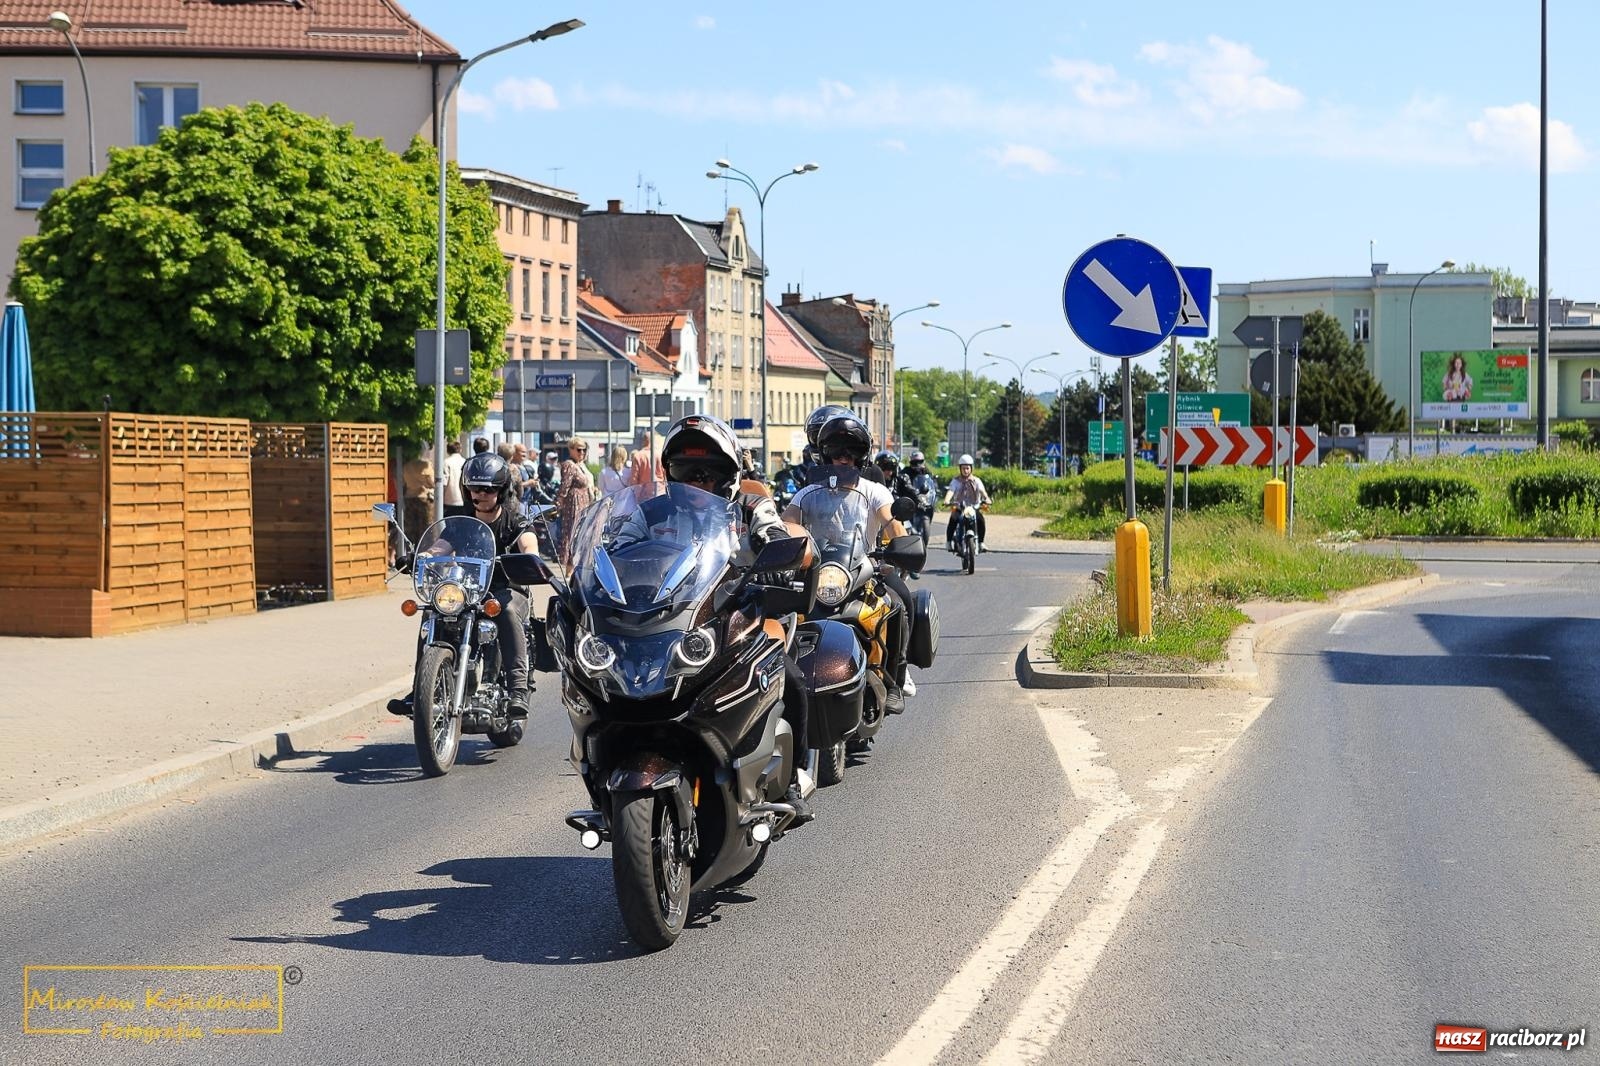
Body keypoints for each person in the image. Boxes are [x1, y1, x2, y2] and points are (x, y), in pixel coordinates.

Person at [609, 414, 815, 822]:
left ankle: (792, 779)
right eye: (687, 471)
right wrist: (600, 573)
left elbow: (774, 533)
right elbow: (616, 548)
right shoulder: (651, 513)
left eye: (709, 471)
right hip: (668, 619)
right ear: (672, 473)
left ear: (728, 473)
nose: (698, 481)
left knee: (787, 674)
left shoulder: (751, 505)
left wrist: (777, 555)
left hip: (737, 611)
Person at [783, 413, 918, 708]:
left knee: (899, 601)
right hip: (819, 573)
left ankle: (896, 676)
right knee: (782, 610)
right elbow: (788, 523)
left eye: (851, 452)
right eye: (836, 452)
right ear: (825, 455)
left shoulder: (874, 491)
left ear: (861, 457)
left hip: (865, 568)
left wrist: (899, 544)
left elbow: (891, 522)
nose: (843, 459)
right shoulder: (806, 494)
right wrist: (783, 540)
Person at [390, 452, 537, 721]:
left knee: (504, 611)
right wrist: (420, 557)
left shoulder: (515, 520)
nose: (477, 495)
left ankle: (518, 689)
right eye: (472, 489)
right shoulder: (462, 522)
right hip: (468, 588)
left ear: (501, 492)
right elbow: (440, 547)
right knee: (433, 611)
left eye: (485, 489)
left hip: (507, 588)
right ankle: (420, 689)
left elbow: (528, 544)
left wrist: (529, 557)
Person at [555, 436, 597, 566]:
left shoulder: (581, 465)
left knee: (582, 533)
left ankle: (577, 565)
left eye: (584, 450)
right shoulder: (569, 465)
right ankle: (570, 567)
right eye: (579, 450)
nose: (582, 453)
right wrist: (559, 502)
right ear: (571, 450)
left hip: (585, 502)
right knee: (573, 533)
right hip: (575, 503)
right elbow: (564, 486)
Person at [945, 454, 991, 553]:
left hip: (973, 508)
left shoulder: (976, 481)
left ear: (971, 469)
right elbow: (951, 491)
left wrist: (987, 499)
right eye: (963, 468)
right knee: (953, 519)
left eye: (967, 468)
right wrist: (947, 500)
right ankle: (948, 542)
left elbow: (983, 491)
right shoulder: (956, 481)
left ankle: (981, 543)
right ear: (960, 469)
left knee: (981, 520)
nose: (965, 470)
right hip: (960, 507)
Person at [905, 450, 941, 550]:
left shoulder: (926, 471)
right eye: (914, 462)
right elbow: (903, 481)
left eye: (919, 462)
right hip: (911, 497)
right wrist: (908, 487)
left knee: (930, 508)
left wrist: (936, 489)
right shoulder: (906, 471)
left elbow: (932, 481)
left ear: (923, 461)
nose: (917, 465)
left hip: (923, 497)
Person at [401, 450, 435, 541]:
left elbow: (402, 482)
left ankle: (412, 551)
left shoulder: (406, 466)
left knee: (410, 529)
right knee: (426, 529)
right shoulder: (426, 465)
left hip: (409, 498)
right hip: (424, 499)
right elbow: (431, 483)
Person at [626, 427, 665, 504]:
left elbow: (634, 479)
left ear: (644, 441)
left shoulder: (638, 456)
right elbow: (665, 474)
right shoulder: (660, 455)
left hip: (644, 494)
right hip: (660, 491)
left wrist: (635, 496)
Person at [441, 441, 466, 508]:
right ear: (460, 450)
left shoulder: (446, 462)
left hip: (449, 500)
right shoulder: (465, 462)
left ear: (448, 451)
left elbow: (443, 483)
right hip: (463, 500)